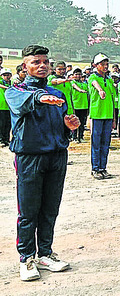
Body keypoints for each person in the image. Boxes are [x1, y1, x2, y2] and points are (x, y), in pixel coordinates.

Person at [6, 44, 80, 281]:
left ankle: (45, 254)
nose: (42, 66)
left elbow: (62, 123)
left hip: (56, 156)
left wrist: (68, 128)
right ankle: (26, 257)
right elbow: (26, 101)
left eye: (45, 62)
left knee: (50, 209)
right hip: (30, 157)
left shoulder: (58, 94)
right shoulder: (15, 91)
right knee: (28, 211)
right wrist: (41, 97)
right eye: (35, 62)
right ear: (25, 66)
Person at [88, 53, 116, 180]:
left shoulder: (109, 79)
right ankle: (95, 168)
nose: (105, 67)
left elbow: (111, 100)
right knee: (96, 143)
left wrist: (114, 118)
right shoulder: (92, 77)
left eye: (106, 64)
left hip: (108, 115)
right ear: (95, 65)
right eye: (102, 64)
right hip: (97, 115)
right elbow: (95, 83)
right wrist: (100, 90)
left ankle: (103, 168)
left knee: (106, 143)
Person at [70, 67, 89, 143]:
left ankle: (81, 136)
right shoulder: (72, 82)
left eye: (79, 74)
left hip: (84, 106)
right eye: (76, 74)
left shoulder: (84, 84)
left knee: (81, 122)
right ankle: (74, 137)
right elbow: (75, 87)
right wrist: (80, 90)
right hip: (76, 105)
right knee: (75, 122)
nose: (78, 76)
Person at [0, 68, 12, 146]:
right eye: (4, 75)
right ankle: (1, 139)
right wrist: (6, 88)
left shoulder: (12, 83)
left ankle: (6, 139)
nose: (6, 77)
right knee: (1, 124)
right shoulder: (1, 82)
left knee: (8, 124)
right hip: (1, 107)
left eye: (8, 75)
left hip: (9, 107)